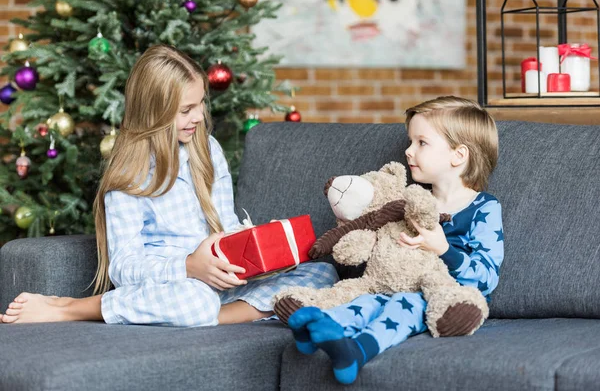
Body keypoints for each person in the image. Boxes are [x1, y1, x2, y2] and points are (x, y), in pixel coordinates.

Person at [0, 44, 338, 326]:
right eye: (186, 110)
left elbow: (226, 224)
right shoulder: (130, 174)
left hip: (221, 283)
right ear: (154, 112)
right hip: (175, 285)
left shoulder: (208, 149)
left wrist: (255, 252)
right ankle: (69, 308)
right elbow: (124, 269)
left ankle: (211, 316)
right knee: (194, 301)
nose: (199, 116)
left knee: (322, 274)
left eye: (201, 104)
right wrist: (190, 267)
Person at [286, 96, 504, 384]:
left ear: (458, 155)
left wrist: (444, 250)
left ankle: (357, 351)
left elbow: (487, 277)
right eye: (410, 141)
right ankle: (318, 328)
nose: (408, 151)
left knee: (404, 304)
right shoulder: (408, 202)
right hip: (392, 285)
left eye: (421, 143)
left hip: (444, 297)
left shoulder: (484, 208)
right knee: (367, 302)